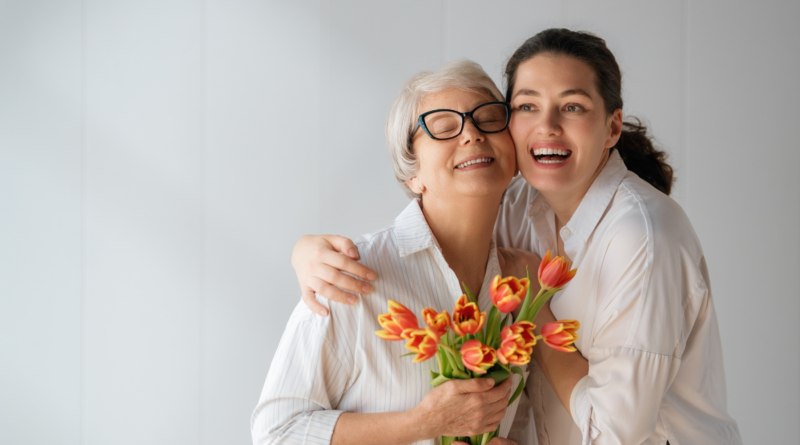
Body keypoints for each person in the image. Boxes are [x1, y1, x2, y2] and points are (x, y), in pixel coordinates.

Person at [289, 29, 742, 445]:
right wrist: (304, 253)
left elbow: (613, 435)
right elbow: (436, 226)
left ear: (612, 128)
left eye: (573, 106)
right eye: (527, 106)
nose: (547, 125)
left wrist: (538, 308)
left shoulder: (641, 236)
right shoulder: (516, 206)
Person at [252, 60, 525, 445]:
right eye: (444, 127)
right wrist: (422, 424)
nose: (472, 134)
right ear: (412, 173)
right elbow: (276, 433)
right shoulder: (349, 276)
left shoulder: (523, 283)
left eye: (489, 118)